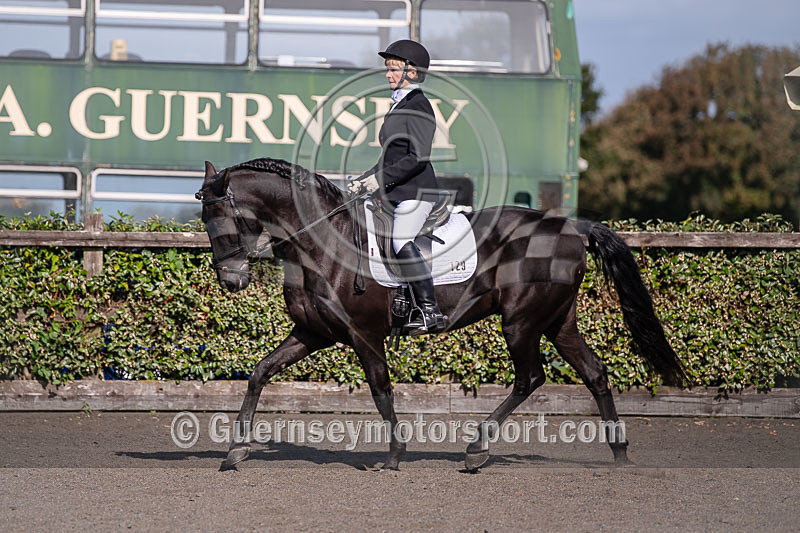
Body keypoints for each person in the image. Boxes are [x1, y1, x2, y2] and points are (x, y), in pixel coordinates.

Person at [347, 39, 447, 334]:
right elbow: (391, 156)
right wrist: (364, 179)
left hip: (416, 192)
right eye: (387, 69)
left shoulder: (419, 106)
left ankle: (430, 311)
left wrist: (379, 179)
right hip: (396, 191)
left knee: (401, 239)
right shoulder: (401, 104)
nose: (388, 75)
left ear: (412, 73)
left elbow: (417, 157)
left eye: (393, 69)